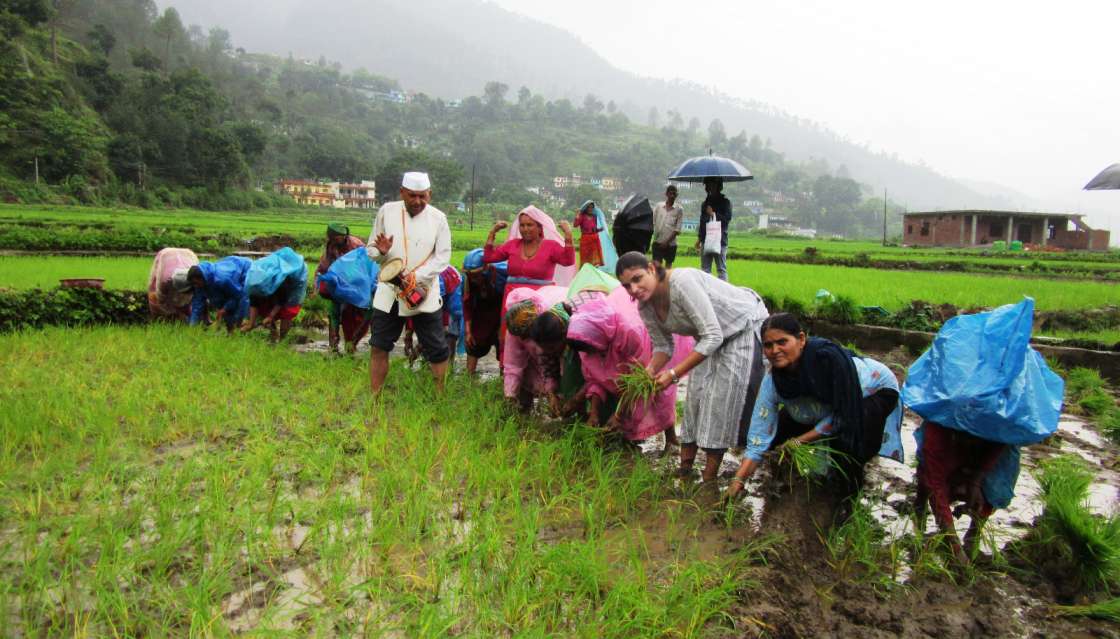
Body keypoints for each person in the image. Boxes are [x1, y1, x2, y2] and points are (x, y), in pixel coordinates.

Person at [616, 251, 768, 482]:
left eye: (637, 279)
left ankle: (708, 479)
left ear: (651, 268)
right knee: (694, 401)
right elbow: (663, 347)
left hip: (740, 328)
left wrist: (674, 374)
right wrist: (645, 376)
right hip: (708, 340)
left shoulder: (681, 283)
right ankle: (685, 470)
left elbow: (713, 335)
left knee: (719, 405)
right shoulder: (645, 307)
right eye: (627, 286)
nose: (634, 289)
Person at [725, 313, 904, 508]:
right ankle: (781, 482)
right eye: (768, 345)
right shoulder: (774, 381)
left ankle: (846, 504)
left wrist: (799, 441)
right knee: (777, 434)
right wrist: (738, 481)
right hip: (820, 405)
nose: (775, 350)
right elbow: (759, 435)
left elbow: (840, 417)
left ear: (801, 339)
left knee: (846, 446)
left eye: (782, 342)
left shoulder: (828, 363)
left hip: (871, 391)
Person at [367, 171, 452, 394]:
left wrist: (416, 277)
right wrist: (380, 251)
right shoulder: (387, 211)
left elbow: (442, 257)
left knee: (437, 349)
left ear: (430, 195)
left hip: (422, 292)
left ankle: (439, 396)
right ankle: (375, 395)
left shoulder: (438, 218)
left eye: (422, 196)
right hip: (390, 292)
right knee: (379, 345)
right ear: (402, 193)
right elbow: (371, 250)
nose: (417, 201)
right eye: (412, 196)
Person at [565, 290, 680, 453]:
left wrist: (619, 415)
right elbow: (595, 378)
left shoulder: (629, 334)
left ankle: (672, 439)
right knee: (615, 387)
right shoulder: (586, 343)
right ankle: (627, 437)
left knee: (661, 392)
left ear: (600, 339)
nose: (591, 354)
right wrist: (594, 413)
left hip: (653, 347)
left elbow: (638, 381)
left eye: (592, 350)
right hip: (623, 347)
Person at [914, 420, 1015, 563]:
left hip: (989, 441)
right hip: (947, 442)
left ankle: (974, 534)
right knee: (928, 475)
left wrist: (977, 479)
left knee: (1000, 477)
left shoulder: (1000, 424)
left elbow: (999, 443)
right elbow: (936, 485)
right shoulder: (937, 433)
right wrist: (955, 547)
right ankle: (919, 506)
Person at [482, 205, 576, 338]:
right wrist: (493, 233)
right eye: (522, 225)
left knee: (537, 336)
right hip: (512, 300)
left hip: (540, 300)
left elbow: (568, 261)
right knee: (510, 335)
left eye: (530, 225)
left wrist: (568, 235)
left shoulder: (551, 246)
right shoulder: (512, 244)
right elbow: (488, 257)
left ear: (539, 227)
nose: (525, 229)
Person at [502, 285, 569, 413]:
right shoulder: (516, 324)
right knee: (525, 380)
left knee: (564, 379)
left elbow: (548, 360)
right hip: (543, 355)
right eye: (523, 336)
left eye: (528, 334)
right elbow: (512, 364)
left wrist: (552, 392)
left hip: (558, 351)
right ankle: (525, 410)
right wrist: (509, 395)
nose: (526, 338)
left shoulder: (550, 321)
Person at [316, 222, 366, 352]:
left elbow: (364, 267)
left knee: (351, 315)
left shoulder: (356, 245)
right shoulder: (331, 246)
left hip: (354, 286)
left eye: (338, 238)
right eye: (333, 238)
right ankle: (333, 346)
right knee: (334, 313)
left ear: (344, 236)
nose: (336, 240)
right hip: (336, 286)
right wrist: (319, 278)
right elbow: (324, 265)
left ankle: (351, 344)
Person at [405, 265, 463, 369]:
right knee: (425, 330)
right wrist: (408, 336)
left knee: (448, 334)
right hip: (422, 291)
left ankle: (447, 367)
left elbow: (447, 322)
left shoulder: (449, 281)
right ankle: (427, 363)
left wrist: (420, 346)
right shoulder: (413, 282)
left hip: (449, 297)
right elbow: (411, 312)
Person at [244, 247, 307, 342]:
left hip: (293, 280)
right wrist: (251, 324)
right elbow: (254, 303)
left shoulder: (281, 282)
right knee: (265, 308)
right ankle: (273, 335)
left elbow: (282, 299)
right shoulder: (253, 284)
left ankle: (283, 339)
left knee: (287, 311)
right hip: (275, 276)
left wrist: (270, 316)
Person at [461, 248, 506, 375]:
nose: (473, 279)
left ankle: (503, 380)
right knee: (473, 342)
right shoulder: (467, 281)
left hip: (502, 310)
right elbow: (467, 304)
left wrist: (503, 325)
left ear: (485, 270)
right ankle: (469, 376)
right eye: (470, 276)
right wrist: (468, 330)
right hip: (481, 311)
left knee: (503, 345)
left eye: (476, 275)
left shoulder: (501, 274)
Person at [187, 256, 252, 332]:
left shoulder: (222, 280)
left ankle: (241, 327)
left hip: (245, 270)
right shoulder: (199, 284)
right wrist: (192, 327)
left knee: (242, 303)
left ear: (202, 278)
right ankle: (230, 330)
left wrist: (225, 309)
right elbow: (197, 305)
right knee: (220, 302)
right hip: (230, 268)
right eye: (193, 284)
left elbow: (238, 296)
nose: (196, 286)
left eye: (196, 283)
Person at [147, 247, 199, 321]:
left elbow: (198, 298)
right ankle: (160, 319)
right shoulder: (163, 282)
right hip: (166, 255)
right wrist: (174, 313)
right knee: (154, 296)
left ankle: (185, 318)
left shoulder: (195, 279)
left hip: (187, 255)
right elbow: (161, 299)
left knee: (188, 301)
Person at [697, 177, 731, 281]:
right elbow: (702, 222)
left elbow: (727, 219)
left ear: (719, 186)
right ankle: (707, 293)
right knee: (705, 270)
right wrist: (699, 239)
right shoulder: (705, 203)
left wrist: (713, 214)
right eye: (708, 185)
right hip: (706, 240)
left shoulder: (725, 202)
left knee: (721, 269)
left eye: (712, 184)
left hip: (720, 240)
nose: (710, 187)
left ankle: (723, 293)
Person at [651, 185, 684, 268]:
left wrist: (666, 242)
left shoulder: (679, 209)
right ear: (666, 194)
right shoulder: (659, 206)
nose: (672, 195)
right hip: (657, 241)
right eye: (670, 193)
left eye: (674, 193)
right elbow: (653, 222)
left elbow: (677, 229)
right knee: (656, 267)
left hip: (671, 244)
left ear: (677, 195)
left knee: (668, 267)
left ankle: (667, 281)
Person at [573, 201, 604, 266]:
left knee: (595, 260)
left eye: (592, 207)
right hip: (585, 239)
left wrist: (599, 229)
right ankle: (585, 272)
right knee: (585, 258)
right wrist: (577, 215)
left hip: (595, 239)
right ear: (585, 208)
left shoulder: (594, 217)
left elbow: (594, 229)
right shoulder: (582, 216)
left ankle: (594, 272)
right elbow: (575, 225)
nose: (590, 209)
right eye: (589, 207)